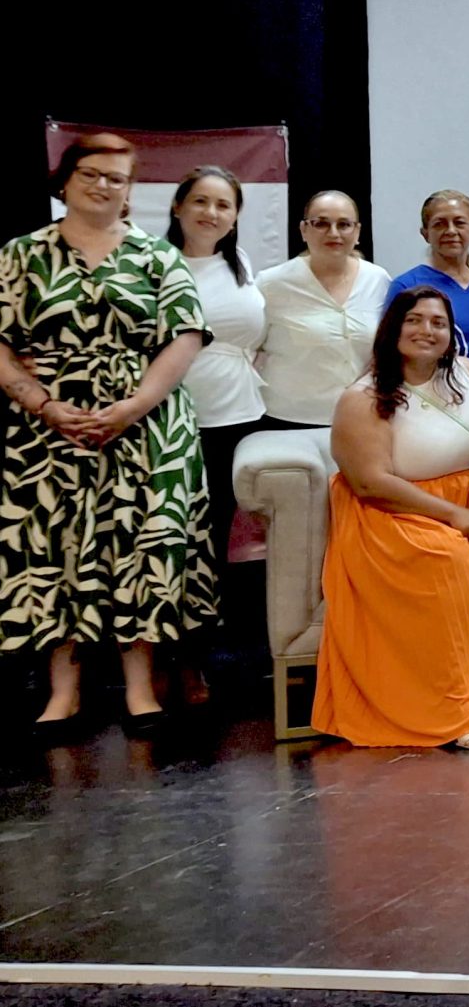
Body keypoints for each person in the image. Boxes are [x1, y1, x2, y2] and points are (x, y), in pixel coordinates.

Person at [2, 135, 211, 737]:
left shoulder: (157, 256)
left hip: (146, 423)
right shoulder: (20, 255)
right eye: (91, 174)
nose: (102, 186)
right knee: (53, 548)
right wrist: (43, 404)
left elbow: (185, 336)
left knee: (144, 548)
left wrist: (133, 406)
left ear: (129, 191)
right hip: (49, 428)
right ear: (64, 181)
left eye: (116, 178)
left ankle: (141, 688)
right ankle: (63, 691)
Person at [311, 285, 469, 750]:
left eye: (438, 322)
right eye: (414, 320)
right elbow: (370, 483)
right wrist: (452, 514)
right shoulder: (363, 396)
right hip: (394, 515)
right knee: (450, 562)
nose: (426, 330)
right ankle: (456, 712)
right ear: (392, 329)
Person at [167, 167, 269, 632]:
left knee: (227, 531)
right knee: (180, 532)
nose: (211, 213)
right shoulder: (157, 265)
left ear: (235, 216)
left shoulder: (240, 263)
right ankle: (175, 637)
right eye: (201, 201)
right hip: (175, 418)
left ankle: (216, 635)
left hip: (241, 416)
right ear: (178, 207)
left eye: (224, 205)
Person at [255, 190, 392, 426]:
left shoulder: (378, 280)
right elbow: (248, 348)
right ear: (304, 230)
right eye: (321, 224)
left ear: (357, 232)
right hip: (289, 420)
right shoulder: (271, 284)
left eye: (344, 224)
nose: (334, 233)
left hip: (363, 416)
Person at [389, 190, 469, 389]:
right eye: (439, 224)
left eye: (459, 223)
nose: (450, 231)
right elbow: (389, 353)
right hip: (430, 400)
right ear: (425, 233)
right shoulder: (407, 286)